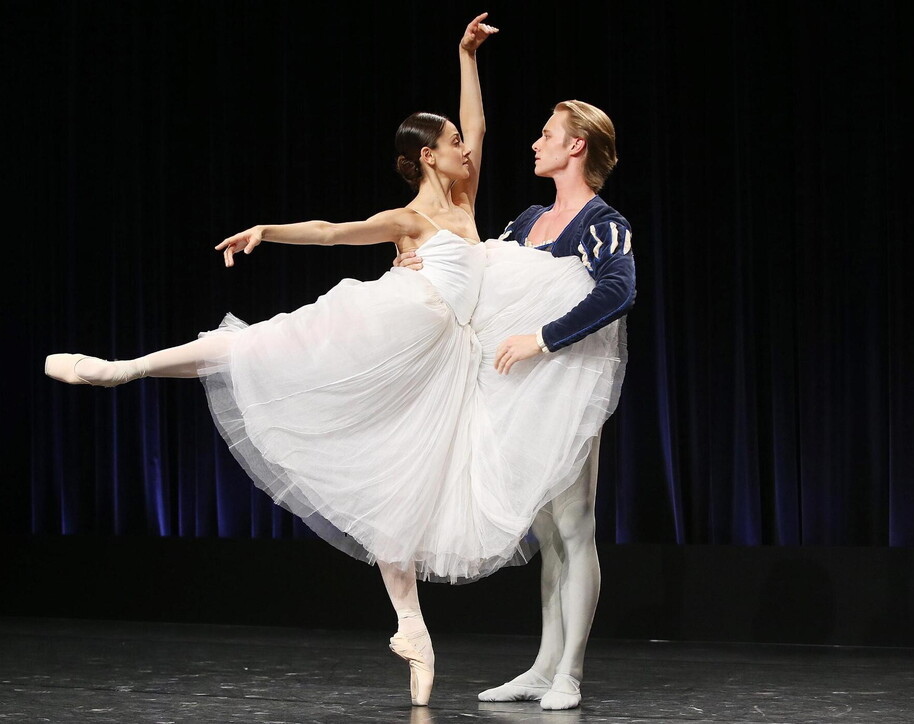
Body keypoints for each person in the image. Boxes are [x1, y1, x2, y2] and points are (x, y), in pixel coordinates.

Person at [43, 15, 624, 709]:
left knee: (396, 482)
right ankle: (123, 368)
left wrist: (464, 56)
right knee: (261, 345)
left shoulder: (476, 208)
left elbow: (480, 124)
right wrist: (268, 230)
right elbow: (331, 233)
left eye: (466, 142)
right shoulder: (413, 219)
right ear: (432, 158)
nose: (469, 147)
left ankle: (419, 630)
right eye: (454, 144)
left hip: (438, 360)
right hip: (388, 321)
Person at [398, 100, 635, 711]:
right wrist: (420, 259)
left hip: (566, 384)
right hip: (523, 393)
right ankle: (543, 665)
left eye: (547, 135)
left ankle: (569, 674)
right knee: (549, 530)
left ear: (576, 147)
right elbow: (476, 263)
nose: (536, 143)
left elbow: (619, 288)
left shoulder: (600, 221)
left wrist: (542, 337)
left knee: (575, 525)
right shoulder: (529, 219)